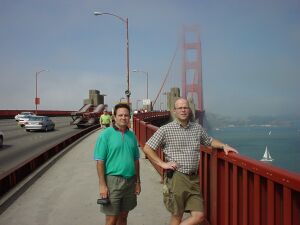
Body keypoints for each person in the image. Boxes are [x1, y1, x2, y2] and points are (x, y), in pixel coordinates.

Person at [143, 98, 238, 225]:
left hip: (194, 178)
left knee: (199, 216)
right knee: (177, 216)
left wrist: (223, 145)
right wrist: (162, 164)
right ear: (174, 111)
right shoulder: (166, 129)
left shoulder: (197, 128)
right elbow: (147, 148)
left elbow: (209, 141)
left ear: (189, 110)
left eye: (185, 107)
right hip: (177, 177)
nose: (183, 110)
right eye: (180, 108)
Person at [94, 103, 141, 225]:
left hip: (130, 181)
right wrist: (102, 185)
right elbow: (100, 162)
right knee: (111, 219)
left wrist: (138, 182)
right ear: (114, 117)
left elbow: (136, 160)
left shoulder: (132, 135)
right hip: (113, 181)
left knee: (124, 216)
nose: (123, 117)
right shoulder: (105, 135)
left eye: (126, 115)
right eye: (120, 115)